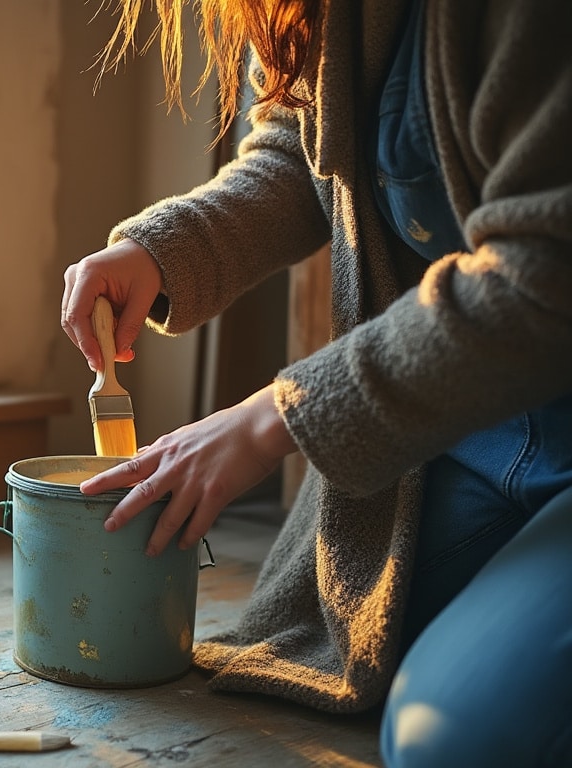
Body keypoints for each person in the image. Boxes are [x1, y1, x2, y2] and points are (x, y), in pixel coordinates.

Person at [59, 0, 572, 765]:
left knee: (449, 740)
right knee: (324, 645)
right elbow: (297, 154)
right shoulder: (300, 11)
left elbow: (545, 274)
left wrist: (276, 417)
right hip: (468, 429)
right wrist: (160, 251)